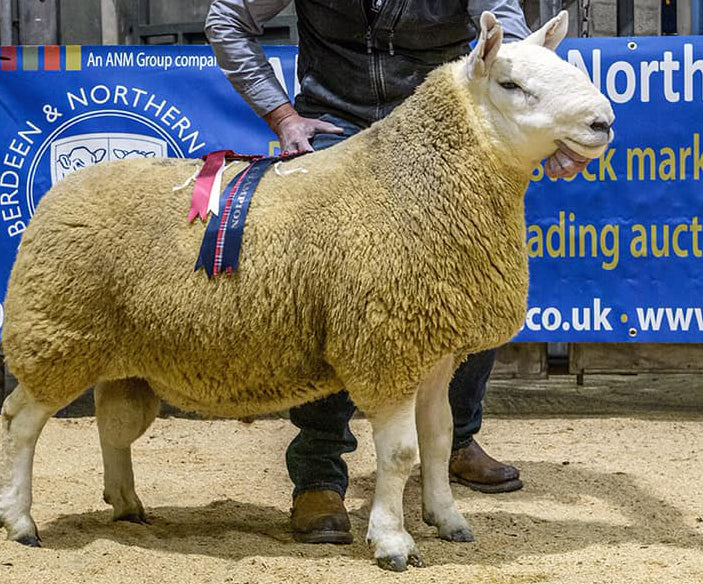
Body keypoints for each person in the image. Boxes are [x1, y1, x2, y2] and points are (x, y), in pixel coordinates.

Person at [205, 0, 590, 545]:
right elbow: (227, 20)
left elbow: (503, 25)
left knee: (470, 275)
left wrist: (535, 106)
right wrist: (281, 114)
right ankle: (319, 475)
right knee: (335, 291)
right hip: (336, 124)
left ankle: (454, 442)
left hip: (443, 127)